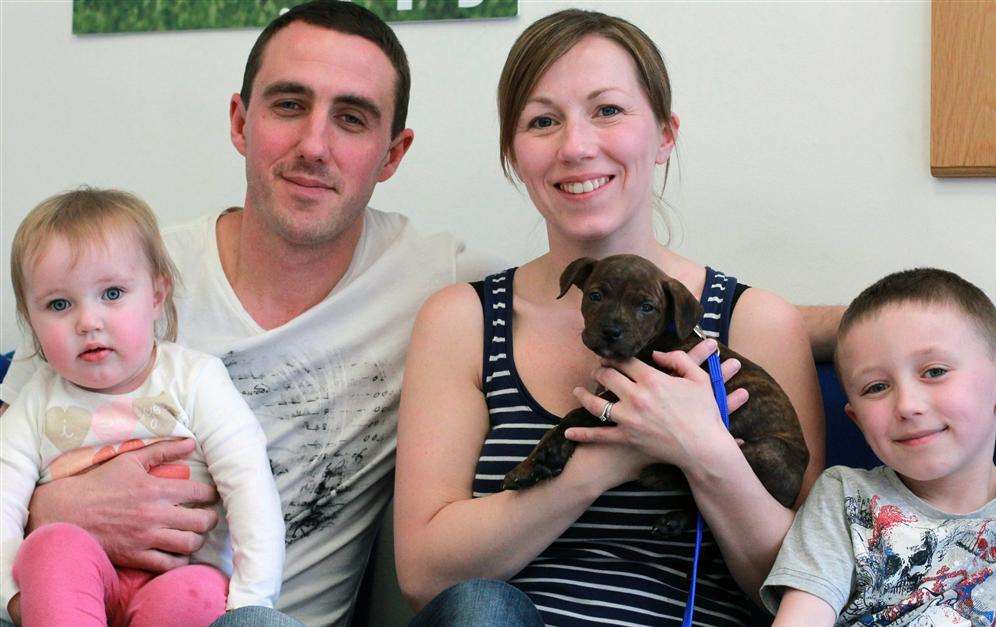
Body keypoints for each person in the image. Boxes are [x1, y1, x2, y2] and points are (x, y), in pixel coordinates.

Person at [0, 2, 498, 625]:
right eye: (289, 105)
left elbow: (578, 286)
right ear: (241, 121)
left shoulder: (440, 283)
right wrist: (50, 509)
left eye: (351, 118)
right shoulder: (117, 278)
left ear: (393, 154)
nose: (314, 145)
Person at [394, 9, 826, 627]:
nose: (575, 146)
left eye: (609, 110)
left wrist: (704, 452)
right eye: (543, 121)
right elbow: (425, 577)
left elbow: (804, 591)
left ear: (666, 133)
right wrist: (599, 463)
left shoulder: (755, 322)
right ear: (513, 152)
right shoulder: (462, 320)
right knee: (479, 606)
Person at [1, 188, 284, 626]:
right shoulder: (35, 400)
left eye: (112, 294)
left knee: (202, 592)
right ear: (31, 322)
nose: (88, 321)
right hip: (73, 590)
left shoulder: (195, 380)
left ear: (156, 295)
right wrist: (9, 597)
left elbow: (250, 487)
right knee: (51, 547)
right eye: (59, 304)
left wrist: (252, 600)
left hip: (178, 578)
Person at [761, 268, 996, 626]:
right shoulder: (845, 498)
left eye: (934, 372)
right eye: (876, 388)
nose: (907, 405)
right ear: (857, 421)